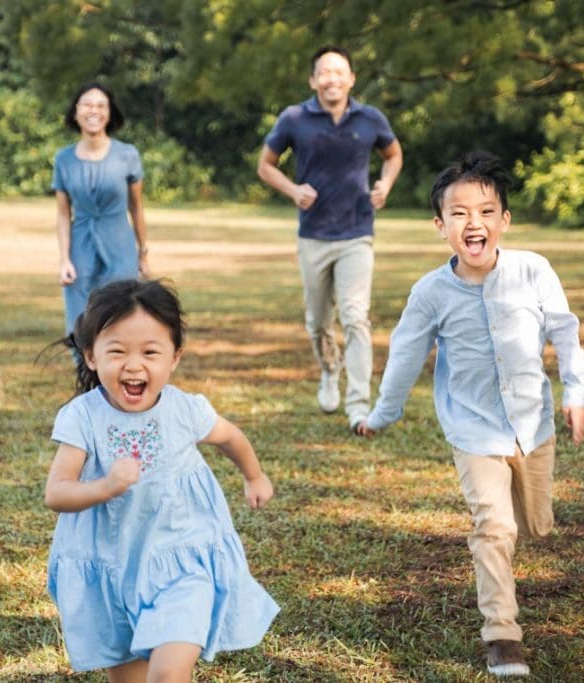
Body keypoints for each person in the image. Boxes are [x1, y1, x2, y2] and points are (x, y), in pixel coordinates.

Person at [355, 152, 584, 678]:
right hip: (472, 428)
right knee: (493, 525)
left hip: (533, 425)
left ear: (504, 221)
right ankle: (503, 637)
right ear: (440, 227)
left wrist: (578, 393)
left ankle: (524, 520)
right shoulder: (430, 293)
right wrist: (381, 414)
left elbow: (565, 335)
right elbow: (405, 356)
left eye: (485, 211)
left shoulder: (534, 270)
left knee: (535, 524)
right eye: (459, 214)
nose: (473, 223)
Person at [44, 279, 280, 681]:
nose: (134, 365)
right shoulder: (82, 417)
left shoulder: (184, 410)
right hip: (111, 569)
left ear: (174, 358)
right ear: (91, 356)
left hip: (181, 561)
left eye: (150, 352)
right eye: (117, 351)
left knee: (168, 675)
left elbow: (229, 437)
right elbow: (56, 493)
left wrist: (254, 476)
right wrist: (105, 487)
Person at [257, 45, 403, 429]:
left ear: (351, 78)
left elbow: (393, 155)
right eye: (324, 72)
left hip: (357, 232)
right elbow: (266, 166)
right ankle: (329, 369)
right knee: (318, 321)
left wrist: (385, 185)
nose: (332, 78)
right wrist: (294, 191)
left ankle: (358, 405)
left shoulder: (370, 118)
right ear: (313, 80)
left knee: (356, 317)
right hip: (314, 236)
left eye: (340, 71)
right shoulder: (294, 118)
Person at [53, 82, 150, 339]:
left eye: (100, 105)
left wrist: (143, 253)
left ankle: (116, 376)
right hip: (80, 244)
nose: (93, 110)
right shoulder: (63, 159)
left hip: (119, 242)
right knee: (79, 318)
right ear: (75, 113)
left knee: (120, 313)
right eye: (86, 104)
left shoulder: (127, 155)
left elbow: (137, 207)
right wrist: (64, 258)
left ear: (110, 113)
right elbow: (63, 213)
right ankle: (85, 376)